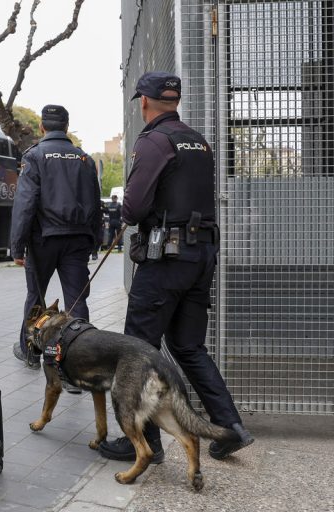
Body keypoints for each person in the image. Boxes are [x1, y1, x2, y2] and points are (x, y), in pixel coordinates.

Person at [98, 71, 254, 465]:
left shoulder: (154, 141)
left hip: (166, 259)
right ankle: (231, 428)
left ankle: (145, 445)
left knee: (138, 349)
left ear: (145, 102)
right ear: (176, 100)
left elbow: (132, 209)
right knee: (188, 346)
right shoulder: (198, 141)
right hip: (201, 256)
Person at [9, 105, 102, 378]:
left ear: (41, 127)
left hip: (43, 241)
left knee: (35, 297)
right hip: (77, 241)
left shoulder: (34, 156)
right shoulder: (84, 159)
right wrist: (95, 241)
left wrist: (17, 245)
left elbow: (25, 204)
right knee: (77, 301)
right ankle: (77, 361)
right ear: (67, 126)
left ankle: (29, 351)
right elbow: (95, 203)